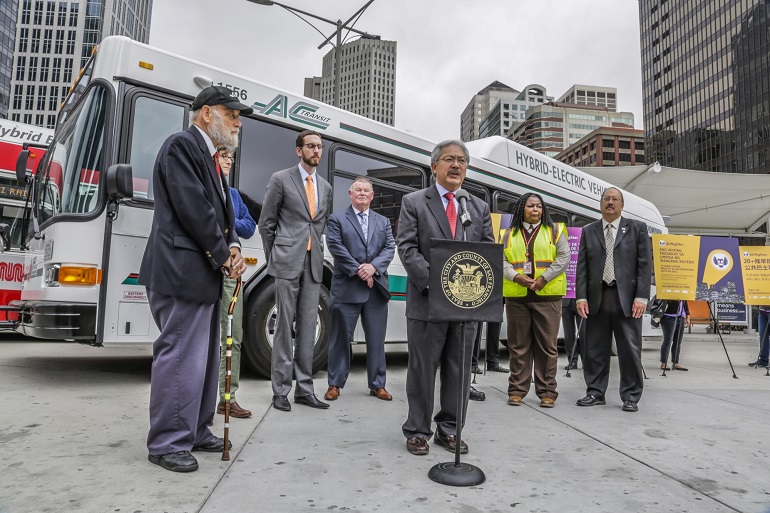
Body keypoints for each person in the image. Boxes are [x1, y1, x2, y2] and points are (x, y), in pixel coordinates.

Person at [139, 85, 251, 473]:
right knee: (182, 355)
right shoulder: (182, 147)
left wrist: (233, 247)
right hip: (180, 271)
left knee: (203, 359)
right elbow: (193, 209)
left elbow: (223, 215)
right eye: (231, 113)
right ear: (206, 114)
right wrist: (223, 254)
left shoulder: (212, 157)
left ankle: (196, 429)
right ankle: (168, 441)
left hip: (199, 275)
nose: (237, 121)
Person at [398, 139, 494, 456]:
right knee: (423, 370)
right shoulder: (414, 202)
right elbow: (408, 248)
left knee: (459, 371)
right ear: (434, 165)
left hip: (466, 308)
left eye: (462, 160)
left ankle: (449, 430)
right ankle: (418, 431)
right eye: (449, 159)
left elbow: (488, 254)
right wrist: (438, 285)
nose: (456, 165)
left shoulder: (478, 207)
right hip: (428, 303)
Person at [259, 130, 333, 412]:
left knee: (307, 328)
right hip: (286, 261)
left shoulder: (325, 187)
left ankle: (305, 389)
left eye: (319, 146)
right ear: (298, 150)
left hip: (314, 264)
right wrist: (274, 257)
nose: (316, 150)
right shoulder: (281, 179)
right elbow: (266, 224)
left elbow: (320, 224)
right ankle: (280, 391)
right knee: (282, 327)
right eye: (311, 146)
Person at [576, 187, 651, 413]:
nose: (610, 202)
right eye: (606, 199)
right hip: (597, 298)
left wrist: (641, 297)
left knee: (629, 350)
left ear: (622, 205)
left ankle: (631, 396)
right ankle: (595, 392)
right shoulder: (589, 231)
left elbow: (644, 266)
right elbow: (582, 268)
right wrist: (580, 297)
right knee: (594, 349)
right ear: (600, 204)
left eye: (615, 199)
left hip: (627, 300)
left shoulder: (637, 229)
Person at [324, 177, 395, 402]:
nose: (362, 193)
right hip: (347, 288)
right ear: (350, 194)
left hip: (376, 290)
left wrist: (373, 267)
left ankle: (377, 385)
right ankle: (334, 384)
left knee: (376, 339)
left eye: (366, 190)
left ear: (372, 196)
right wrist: (359, 270)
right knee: (340, 339)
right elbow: (335, 246)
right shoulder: (336, 219)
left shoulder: (383, 221)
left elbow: (390, 247)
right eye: (358, 190)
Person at [502, 193, 569, 408]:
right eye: (531, 206)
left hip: (547, 296)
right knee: (518, 346)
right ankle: (517, 390)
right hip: (517, 297)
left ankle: (547, 392)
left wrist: (543, 278)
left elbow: (563, 257)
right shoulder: (507, 233)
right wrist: (516, 277)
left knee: (547, 347)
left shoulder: (555, 231)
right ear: (522, 208)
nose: (535, 210)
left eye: (539, 206)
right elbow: (499, 259)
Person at [215, 147, 256, 419]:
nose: (229, 160)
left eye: (231, 156)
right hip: (208, 269)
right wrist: (229, 224)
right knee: (204, 337)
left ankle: (227, 397)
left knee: (233, 336)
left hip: (232, 274)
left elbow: (249, 226)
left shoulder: (233, 195)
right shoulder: (205, 188)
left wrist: (230, 223)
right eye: (223, 155)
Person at [659, 300, 690, 371]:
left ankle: (675, 362)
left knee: (678, 341)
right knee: (668, 341)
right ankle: (664, 363)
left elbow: (685, 302)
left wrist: (688, 316)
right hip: (669, 317)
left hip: (681, 317)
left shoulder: (683, 290)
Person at [562, 298, 585, 370]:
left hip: (581, 301)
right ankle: (572, 361)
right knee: (568, 334)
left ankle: (586, 362)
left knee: (584, 333)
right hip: (565, 302)